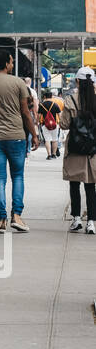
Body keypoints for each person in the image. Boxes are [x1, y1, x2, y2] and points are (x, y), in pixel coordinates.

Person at [0, 51, 41, 233]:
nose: (12, 64)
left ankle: (1, 219)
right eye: (11, 62)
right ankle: (17, 216)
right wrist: (34, 135)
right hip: (16, 137)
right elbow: (26, 113)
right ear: (6, 64)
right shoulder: (18, 83)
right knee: (17, 176)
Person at [59, 69, 96, 233]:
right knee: (91, 186)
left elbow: (64, 125)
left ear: (78, 82)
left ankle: (76, 219)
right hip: (93, 149)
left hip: (75, 148)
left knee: (74, 184)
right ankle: (92, 223)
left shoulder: (70, 100)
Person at [39, 95, 61, 160]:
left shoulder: (42, 105)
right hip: (54, 124)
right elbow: (59, 115)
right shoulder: (55, 104)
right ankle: (54, 154)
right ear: (51, 97)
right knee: (55, 139)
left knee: (47, 139)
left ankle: (49, 155)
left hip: (45, 124)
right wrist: (60, 123)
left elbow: (39, 116)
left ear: (45, 97)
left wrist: (38, 122)